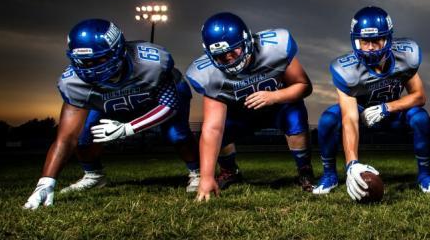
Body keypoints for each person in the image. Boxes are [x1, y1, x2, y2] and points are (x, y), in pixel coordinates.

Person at [23, 19, 199, 209]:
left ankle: (197, 172)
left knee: (176, 133)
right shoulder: (73, 83)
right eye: (84, 61)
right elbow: (66, 138)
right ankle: (93, 175)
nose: (91, 68)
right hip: (110, 104)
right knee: (83, 135)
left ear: (119, 50)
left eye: (98, 60)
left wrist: (127, 129)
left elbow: (169, 106)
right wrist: (46, 182)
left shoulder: (151, 63)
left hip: (157, 98)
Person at [313, 6, 430, 200]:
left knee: (420, 118)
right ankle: (330, 174)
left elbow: (419, 96)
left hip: (393, 113)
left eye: (376, 41)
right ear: (356, 41)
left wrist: (387, 108)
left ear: (387, 39)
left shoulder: (405, 57)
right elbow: (349, 118)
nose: (370, 48)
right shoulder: (346, 70)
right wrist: (352, 163)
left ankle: (424, 174)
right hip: (361, 114)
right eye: (365, 42)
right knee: (329, 119)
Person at [186, 12, 315, 202]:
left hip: (277, 107)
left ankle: (304, 169)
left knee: (295, 116)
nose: (229, 59)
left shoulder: (276, 48)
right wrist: (206, 177)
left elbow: (304, 86)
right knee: (218, 131)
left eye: (233, 51)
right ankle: (229, 171)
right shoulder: (207, 73)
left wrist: (274, 96)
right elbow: (213, 128)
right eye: (221, 56)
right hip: (240, 113)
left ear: (247, 41)